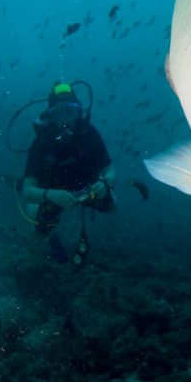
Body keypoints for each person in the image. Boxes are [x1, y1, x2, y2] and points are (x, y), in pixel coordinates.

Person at [21, 81, 116, 264]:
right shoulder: (41, 143)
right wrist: (50, 195)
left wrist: (105, 183)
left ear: (79, 112)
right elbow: (27, 192)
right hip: (52, 192)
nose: (65, 118)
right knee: (38, 227)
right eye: (59, 112)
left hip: (88, 188)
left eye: (71, 110)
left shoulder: (90, 134)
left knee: (113, 206)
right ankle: (51, 237)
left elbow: (110, 170)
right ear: (51, 116)